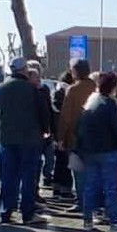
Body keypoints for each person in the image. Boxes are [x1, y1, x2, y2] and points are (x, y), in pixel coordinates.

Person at [0, 57, 52, 226]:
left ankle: (6, 212)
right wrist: (45, 130)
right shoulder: (32, 89)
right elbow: (43, 113)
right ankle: (27, 213)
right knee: (28, 177)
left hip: (6, 138)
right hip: (30, 139)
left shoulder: (1, 88)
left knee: (7, 176)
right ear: (24, 69)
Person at [76, 72, 117, 232]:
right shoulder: (109, 104)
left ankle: (87, 220)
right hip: (109, 150)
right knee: (110, 187)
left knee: (90, 186)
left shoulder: (90, 101)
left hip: (89, 150)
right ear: (113, 87)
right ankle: (114, 222)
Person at [57, 59, 98, 205]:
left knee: (79, 173)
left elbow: (65, 117)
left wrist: (61, 137)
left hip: (76, 138)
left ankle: (82, 202)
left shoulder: (73, 90)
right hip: (95, 138)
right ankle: (93, 202)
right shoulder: (96, 88)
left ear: (74, 71)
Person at [27, 63, 57, 190]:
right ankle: (34, 189)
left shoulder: (45, 89)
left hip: (46, 130)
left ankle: (47, 176)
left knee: (50, 157)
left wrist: (52, 128)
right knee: (35, 161)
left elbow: (48, 109)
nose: (38, 78)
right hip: (35, 132)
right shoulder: (27, 92)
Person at [50, 69, 76, 199]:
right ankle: (65, 189)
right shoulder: (68, 93)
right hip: (66, 131)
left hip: (57, 132)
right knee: (66, 162)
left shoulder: (56, 91)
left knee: (60, 162)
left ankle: (57, 188)